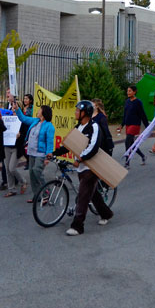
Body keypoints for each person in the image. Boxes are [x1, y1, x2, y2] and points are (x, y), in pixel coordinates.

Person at [50, 100, 113, 236]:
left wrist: (80, 158)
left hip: (92, 166)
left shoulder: (94, 127)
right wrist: (54, 153)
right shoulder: (78, 127)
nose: (76, 112)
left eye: (78, 110)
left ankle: (78, 226)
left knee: (83, 195)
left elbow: (93, 147)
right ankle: (106, 213)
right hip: (82, 166)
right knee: (93, 194)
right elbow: (69, 144)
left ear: (86, 113)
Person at [10, 92, 55, 202]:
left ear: (44, 113)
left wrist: (48, 155)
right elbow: (23, 119)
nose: (38, 111)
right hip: (31, 152)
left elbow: (50, 142)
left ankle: (46, 192)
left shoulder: (49, 126)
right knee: (32, 173)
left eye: (40, 110)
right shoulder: (35, 121)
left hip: (41, 153)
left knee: (37, 171)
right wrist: (17, 109)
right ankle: (37, 196)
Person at [116, 85, 149, 167]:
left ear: (134, 92)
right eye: (127, 91)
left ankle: (127, 161)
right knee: (132, 145)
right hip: (128, 124)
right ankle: (143, 156)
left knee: (127, 141)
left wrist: (147, 127)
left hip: (135, 125)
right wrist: (121, 125)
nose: (128, 92)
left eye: (130, 91)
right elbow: (125, 115)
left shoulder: (138, 102)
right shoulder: (127, 101)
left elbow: (143, 115)